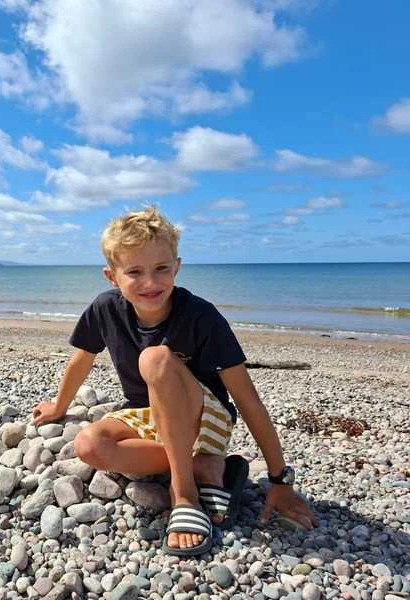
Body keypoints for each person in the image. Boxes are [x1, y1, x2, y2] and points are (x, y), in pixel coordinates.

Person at [32, 207, 316, 555]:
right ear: (112, 276)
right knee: (89, 446)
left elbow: (246, 397)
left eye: (161, 269)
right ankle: (204, 468)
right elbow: (82, 358)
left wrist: (279, 480)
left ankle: (184, 495)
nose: (150, 283)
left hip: (205, 419)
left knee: (155, 357)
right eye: (134, 271)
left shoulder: (201, 316)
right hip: (151, 413)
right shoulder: (105, 309)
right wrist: (58, 407)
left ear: (176, 267)